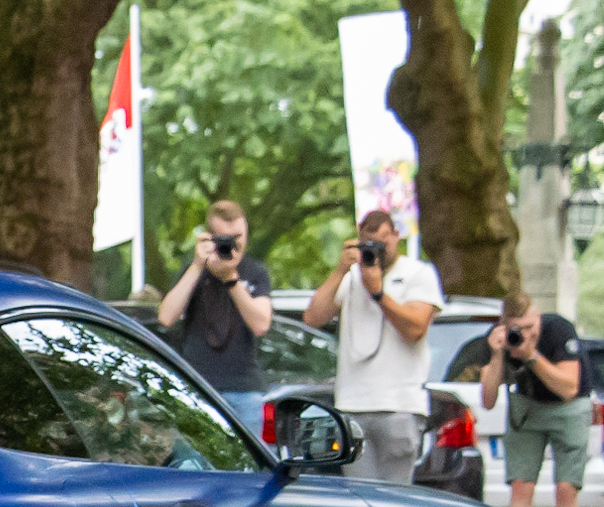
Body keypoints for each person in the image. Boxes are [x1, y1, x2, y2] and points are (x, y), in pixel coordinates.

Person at [301, 209, 441, 483]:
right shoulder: (351, 276)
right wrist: (341, 270)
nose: (377, 249)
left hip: (398, 405)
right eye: (369, 243)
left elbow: (415, 329)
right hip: (353, 404)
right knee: (359, 499)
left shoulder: (418, 273)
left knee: (396, 500)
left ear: (396, 236)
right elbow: (313, 317)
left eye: (382, 241)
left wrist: (378, 292)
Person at [480, 289, 591, 507]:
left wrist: (532, 356)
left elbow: (569, 388)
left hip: (568, 407)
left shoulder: (558, 330)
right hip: (528, 407)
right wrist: (497, 355)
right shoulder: (500, 339)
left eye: (531, 326)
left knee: (566, 489)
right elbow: (488, 400)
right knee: (521, 486)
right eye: (519, 328)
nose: (527, 334)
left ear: (537, 316)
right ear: (505, 324)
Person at [156, 199, 274, 435]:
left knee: (248, 470)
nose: (234, 246)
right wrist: (198, 265)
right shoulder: (194, 269)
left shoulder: (255, 271)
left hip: (244, 389)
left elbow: (261, 324)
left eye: (239, 237)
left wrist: (231, 279)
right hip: (197, 386)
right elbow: (166, 318)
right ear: (210, 237)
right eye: (225, 239)